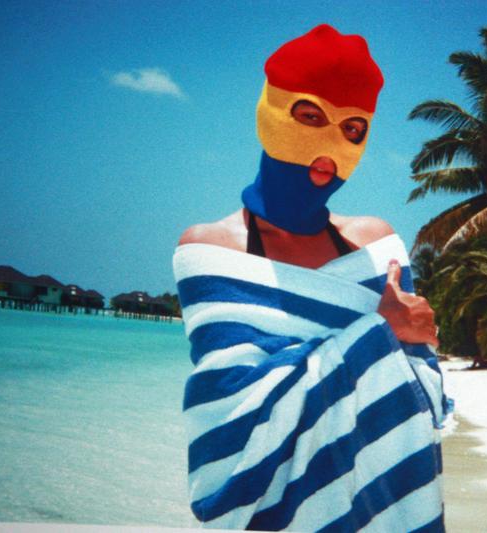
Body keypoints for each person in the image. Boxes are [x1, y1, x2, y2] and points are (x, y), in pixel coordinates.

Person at [173, 24, 450, 532]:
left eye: (353, 129)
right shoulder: (209, 250)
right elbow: (229, 421)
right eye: (311, 116)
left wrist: (400, 335)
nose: (330, 147)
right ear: (270, 113)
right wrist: (380, 333)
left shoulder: (376, 245)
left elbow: (421, 388)